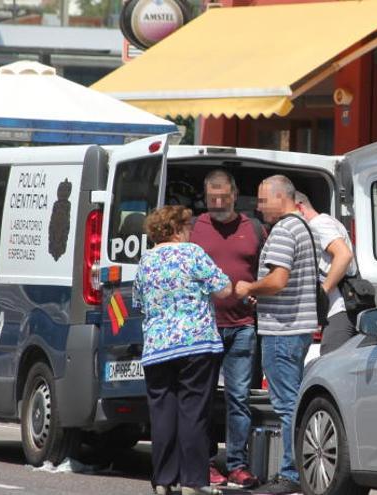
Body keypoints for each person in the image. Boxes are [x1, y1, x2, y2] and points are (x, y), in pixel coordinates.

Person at [133, 205, 232, 495]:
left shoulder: (146, 261)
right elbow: (224, 288)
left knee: (163, 414)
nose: (190, 232)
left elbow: (139, 303)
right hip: (196, 344)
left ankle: (163, 480)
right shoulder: (192, 253)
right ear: (177, 230)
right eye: (187, 227)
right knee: (193, 412)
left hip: (158, 348)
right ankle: (193, 481)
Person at [234, 175, 317, 494]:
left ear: (282, 198)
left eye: (263, 199)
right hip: (297, 327)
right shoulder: (303, 227)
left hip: (283, 330)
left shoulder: (284, 230)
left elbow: (279, 280)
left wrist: (250, 287)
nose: (259, 206)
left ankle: (292, 474)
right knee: (292, 400)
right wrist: (263, 294)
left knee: (286, 405)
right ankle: (299, 469)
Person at [189, 169, 262, 489]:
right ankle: (203, 463)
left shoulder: (254, 228)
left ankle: (237, 465)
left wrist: (260, 291)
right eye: (211, 197)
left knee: (239, 398)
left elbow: (267, 268)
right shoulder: (193, 228)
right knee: (201, 398)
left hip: (242, 326)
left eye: (223, 196)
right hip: (203, 327)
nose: (217, 202)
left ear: (235, 195)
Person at [295, 191, 358, 355]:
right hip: (340, 308)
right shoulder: (327, 221)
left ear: (299, 207)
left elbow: (344, 255)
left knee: (330, 364)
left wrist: (323, 292)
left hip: (338, 308)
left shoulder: (318, 224)